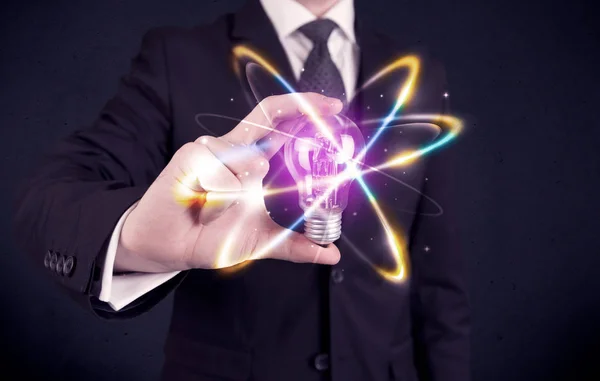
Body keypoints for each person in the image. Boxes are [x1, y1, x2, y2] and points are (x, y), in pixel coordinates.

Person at [13, 0, 470, 380]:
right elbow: (47, 199)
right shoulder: (179, 57)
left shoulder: (419, 72)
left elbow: (438, 282)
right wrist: (134, 240)